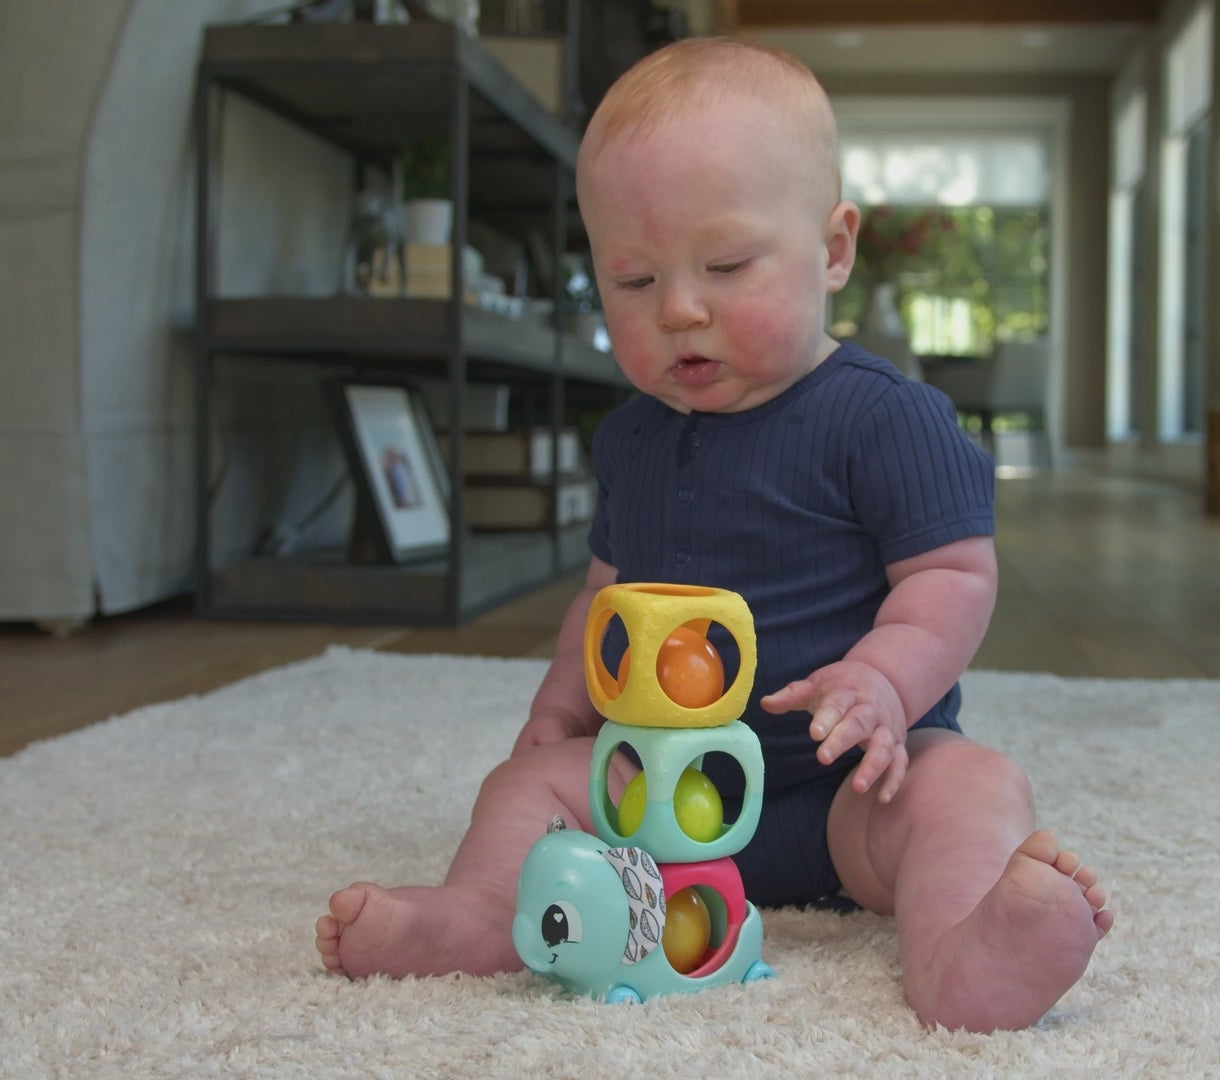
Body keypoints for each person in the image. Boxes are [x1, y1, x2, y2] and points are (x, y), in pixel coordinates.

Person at [315, 36, 1111, 1033]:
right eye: (634, 283)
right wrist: (562, 707)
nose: (681, 311)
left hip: (851, 789)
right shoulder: (632, 440)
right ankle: (484, 916)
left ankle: (965, 952)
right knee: (525, 785)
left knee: (975, 785)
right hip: (658, 803)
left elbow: (954, 574)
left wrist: (887, 681)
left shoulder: (885, 418)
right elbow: (604, 594)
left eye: (726, 266)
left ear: (833, 250)